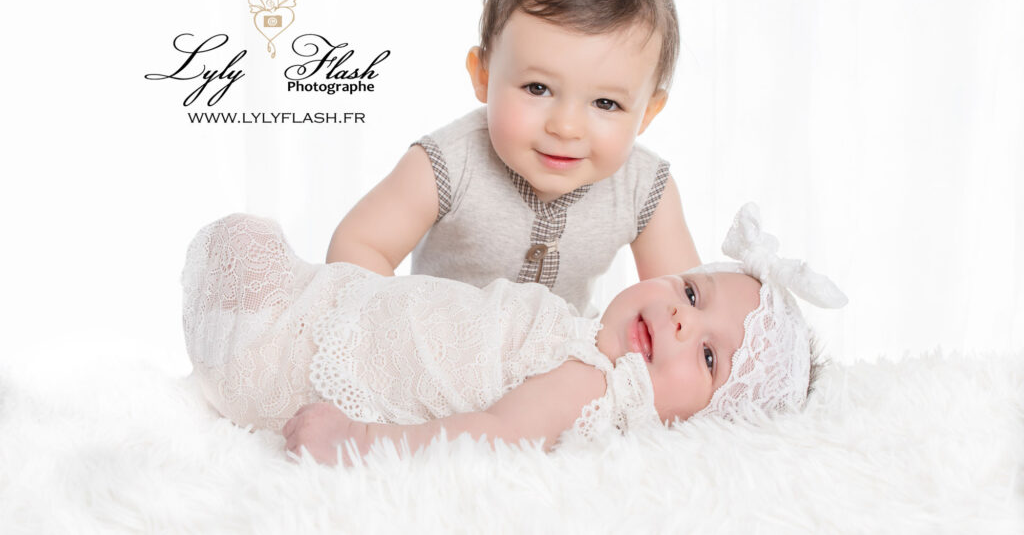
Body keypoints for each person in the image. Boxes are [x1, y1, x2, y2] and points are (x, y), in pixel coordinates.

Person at [182, 204, 846, 466]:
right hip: (349, 317)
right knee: (249, 249)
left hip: (314, 369)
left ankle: (249, 351)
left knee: (244, 245)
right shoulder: (583, 340)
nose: (680, 318)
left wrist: (356, 442)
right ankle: (267, 315)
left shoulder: (590, 383)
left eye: (708, 355)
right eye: (693, 293)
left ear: (704, 422)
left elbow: (493, 434)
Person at [325, 0, 700, 314]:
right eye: (537, 88)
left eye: (606, 103)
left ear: (648, 112)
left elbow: (687, 303)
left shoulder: (644, 188)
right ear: (484, 75)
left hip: (565, 363)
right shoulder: (448, 165)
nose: (566, 127)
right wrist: (407, 333)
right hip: (447, 354)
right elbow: (357, 245)